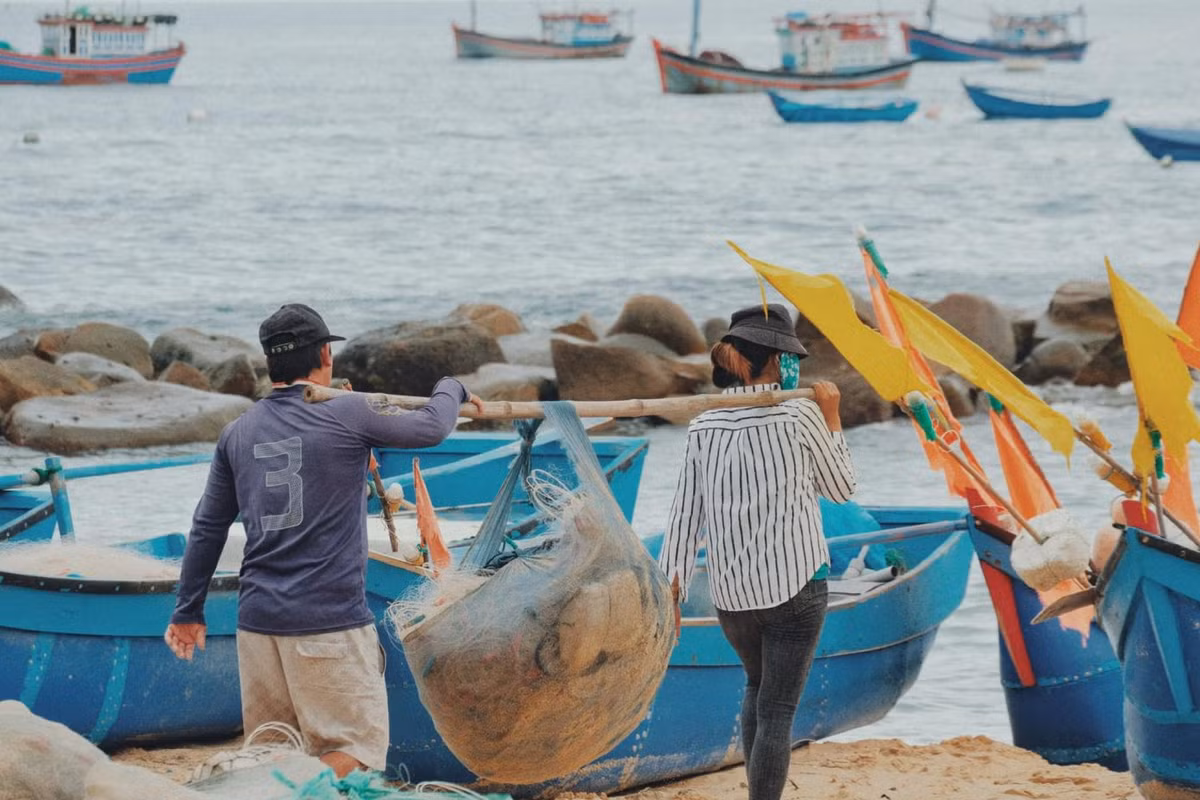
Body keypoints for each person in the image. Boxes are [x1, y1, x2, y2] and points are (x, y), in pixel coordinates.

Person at [164, 303, 483, 777]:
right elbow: (432, 426)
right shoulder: (348, 411)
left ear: (269, 364)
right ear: (325, 356)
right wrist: (451, 388)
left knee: (272, 756)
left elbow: (208, 528)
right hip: (327, 625)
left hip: (257, 629)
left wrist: (189, 611)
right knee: (356, 754)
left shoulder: (238, 432)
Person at [658, 303, 856, 800]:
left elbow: (686, 509)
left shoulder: (705, 424)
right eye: (790, 358)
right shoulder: (800, 414)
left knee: (757, 689)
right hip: (796, 586)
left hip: (733, 594)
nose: (795, 368)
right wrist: (833, 420)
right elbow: (841, 488)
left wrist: (671, 582)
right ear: (775, 361)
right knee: (778, 709)